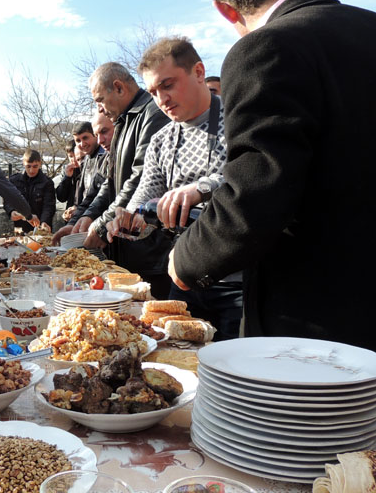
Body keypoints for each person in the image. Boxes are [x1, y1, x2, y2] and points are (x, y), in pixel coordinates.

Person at [171, 0, 376, 459]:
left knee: (317, 483)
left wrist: (185, 258)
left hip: (319, 340)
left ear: (225, 10)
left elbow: (255, 195)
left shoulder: (265, 49)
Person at [106, 36, 242, 340]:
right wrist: (126, 220)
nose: (161, 99)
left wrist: (200, 189)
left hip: (238, 281)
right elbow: (145, 196)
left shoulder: (238, 120)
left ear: (198, 72)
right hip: (184, 274)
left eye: (167, 85)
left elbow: (251, 174)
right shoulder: (161, 140)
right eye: (153, 92)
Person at [71, 62, 171, 298]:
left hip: (150, 250)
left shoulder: (152, 114)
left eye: (100, 100)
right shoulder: (123, 122)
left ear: (118, 87)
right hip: (125, 244)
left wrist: (101, 224)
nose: (100, 108)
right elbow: (110, 181)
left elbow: (142, 178)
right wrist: (87, 217)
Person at [52, 121, 108, 244]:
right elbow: (86, 198)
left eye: (85, 138)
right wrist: (73, 222)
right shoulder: (87, 160)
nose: (82, 144)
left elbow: (103, 196)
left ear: (95, 135)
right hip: (86, 223)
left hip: (104, 226)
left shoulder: (105, 157)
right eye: (78, 140)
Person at [5, 149, 55, 232]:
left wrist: (45, 221)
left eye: (35, 166)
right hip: (20, 227)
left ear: (40, 164)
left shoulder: (47, 182)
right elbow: (8, 200)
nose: (31, 170)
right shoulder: (14, 180)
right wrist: (11, 211)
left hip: (40, 226)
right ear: (23, 163)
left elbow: (49, 205)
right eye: (28, 166)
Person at [55, 138, 81, 210]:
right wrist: (67, 177)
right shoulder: (66, 170)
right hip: (71, 209)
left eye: (76, 155)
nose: (74, 159)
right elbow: (61, 198)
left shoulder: (88, 167)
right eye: (71, 156)